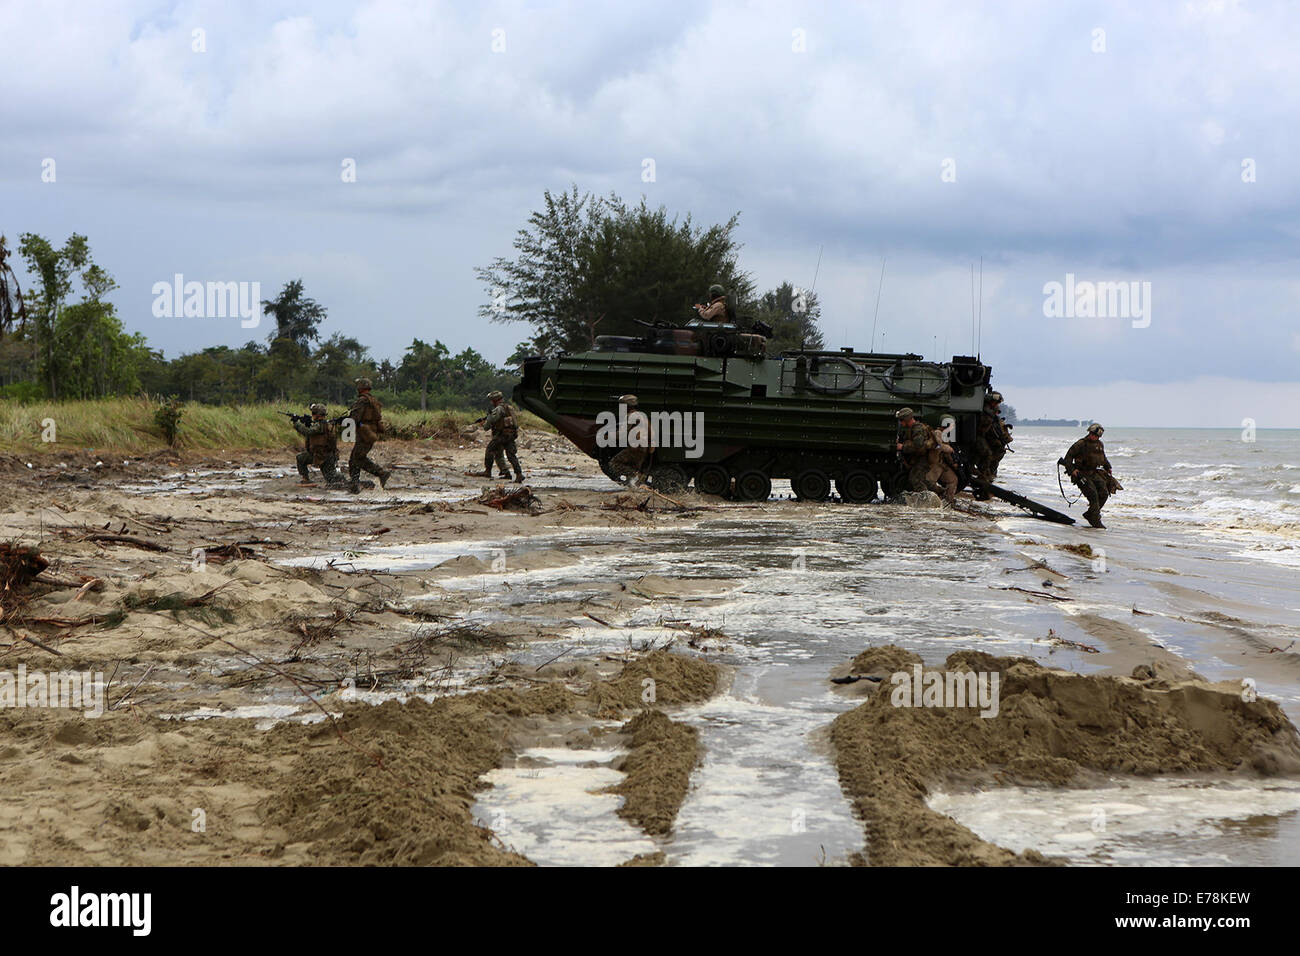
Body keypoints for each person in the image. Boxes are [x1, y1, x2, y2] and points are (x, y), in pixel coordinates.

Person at [1062, 423, 1118, 528]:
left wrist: (1108, 467)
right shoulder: (1080, 444)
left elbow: (1103, 458)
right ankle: (1095, 519)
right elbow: (1068, 458)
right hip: (1081, 473)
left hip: (1094, 473)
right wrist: (1072, 470)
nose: (1094, 437)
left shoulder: (1100, 444)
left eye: (1097, 436)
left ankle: (1090, 514)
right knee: (1093, 495)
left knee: (1104, 493)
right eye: (1093, 434)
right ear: (1089, 433)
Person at [346, 377, 391, 495]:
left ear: (360, 388)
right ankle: (354, 484)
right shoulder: (373, 400)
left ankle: (380, 473)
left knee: (357, 458)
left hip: (364, 433)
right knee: (356, 458)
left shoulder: (362, 400)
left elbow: (355, 418)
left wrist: (345, 421)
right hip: (370, 432)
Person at [609, 394, 654, 486]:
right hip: (644, 448)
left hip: (635, 448)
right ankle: (635, 485)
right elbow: (651, 432)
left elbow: (622, 434)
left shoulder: (630, 416)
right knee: (632, 468)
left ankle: (638, 476)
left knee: (614, 463)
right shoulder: (642, 415)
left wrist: (608, 436)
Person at [480, 390, 524, 482]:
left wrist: (484, 424)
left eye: (492, 400)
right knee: (511, 455)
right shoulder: (509, 407)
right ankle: (518, 474)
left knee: (490, 450)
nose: (491, 402)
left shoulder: (498, 409)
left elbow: (489, 424)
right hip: (511, 435)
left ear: (494, 400)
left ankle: (488, 471)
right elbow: (515, 424)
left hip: (502, 435)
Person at [294, 403, 341, 485]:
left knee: (332, 479)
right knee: (300, 458)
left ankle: (346, 480)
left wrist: (296, 423)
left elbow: (308, 432)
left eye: (313, 413)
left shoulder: (320, 425)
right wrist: (307, 424)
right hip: (322, 454)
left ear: (317, 415)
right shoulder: (324, 424)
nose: (312, 415)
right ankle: (305, 479)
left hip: (322, 455)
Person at [895, 407, 936, 494]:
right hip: (918, 459)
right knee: (922, 480)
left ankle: (927, 501)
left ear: (906, 419)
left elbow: (918, 447)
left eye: (901, 420)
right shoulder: (912, 428)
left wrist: (902, 447)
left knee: (915, 479)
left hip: (923, 459)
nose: (900, 422)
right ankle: (940, 493)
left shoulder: (918, 429)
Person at [927, 424, 959, 504]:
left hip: (941, 464)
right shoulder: (937, 433)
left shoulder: (945, 435)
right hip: (933, 464)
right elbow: (938, 446)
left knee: (953, 480)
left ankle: (948, 501)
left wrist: (953, 462)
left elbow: (946, 454)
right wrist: (949, 449)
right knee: (930, 484)